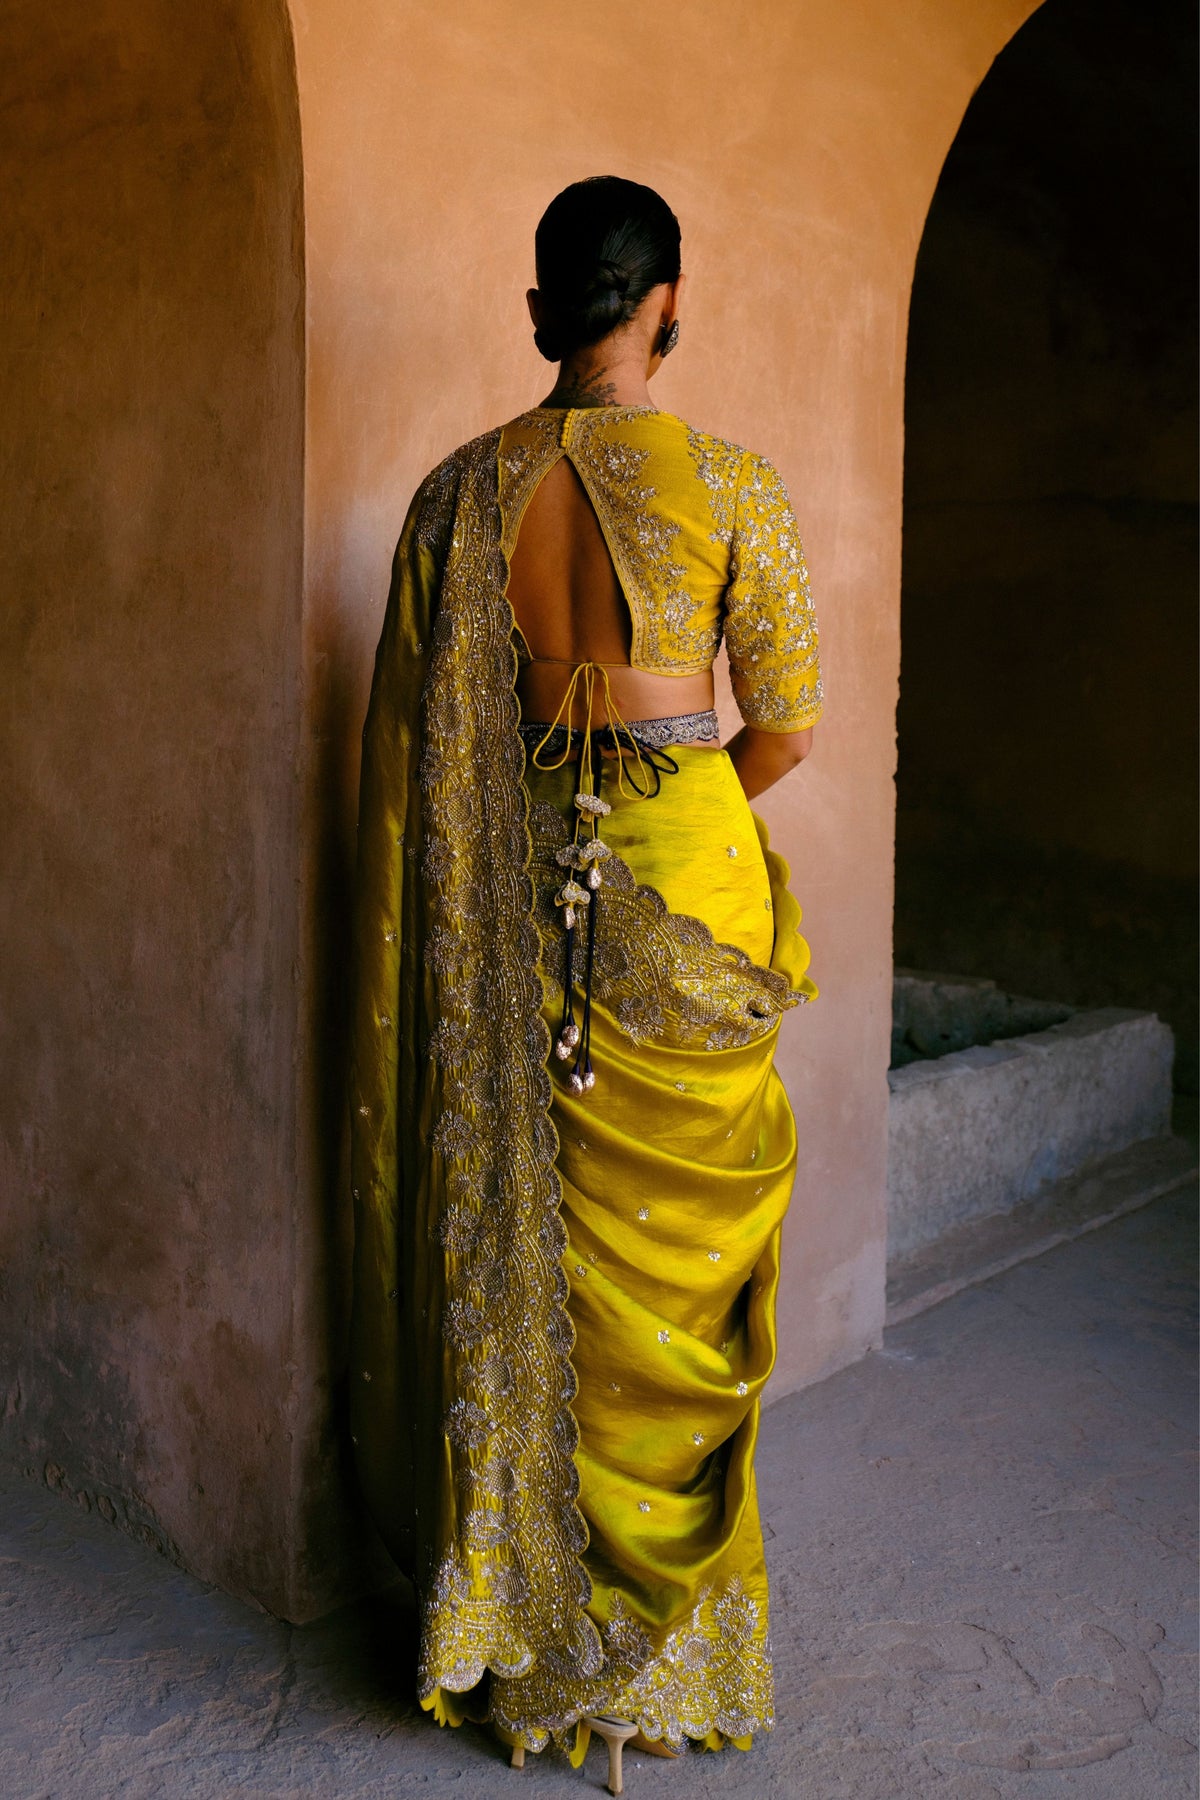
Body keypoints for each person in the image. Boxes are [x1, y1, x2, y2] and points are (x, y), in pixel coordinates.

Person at [348, 175, 823, 1788]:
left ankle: (524, 1629)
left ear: (544, 303)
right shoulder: (736, 487)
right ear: (666, 301)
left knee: (525, 1243)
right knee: (682, 1273)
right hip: (685, 863)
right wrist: (680, 811)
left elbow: (424, 755)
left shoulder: (456, 497)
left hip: (508, 875)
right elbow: (792, 724)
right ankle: (665, 1654)